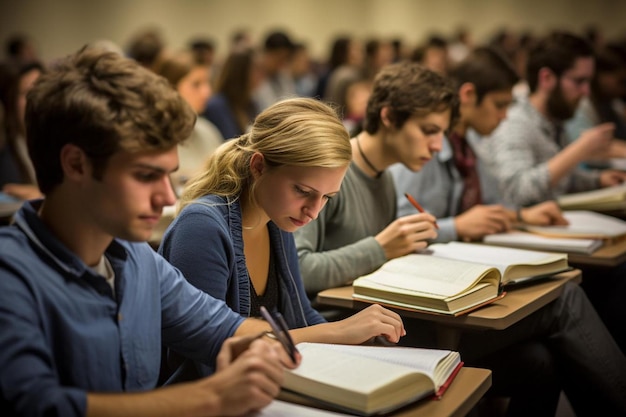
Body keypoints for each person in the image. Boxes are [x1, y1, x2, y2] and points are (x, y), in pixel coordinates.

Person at [293, 61, 626, 416]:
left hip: (392, 315)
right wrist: (381, 248)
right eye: (428, 131)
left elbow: (383, 258)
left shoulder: (385, 178)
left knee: (538, 362)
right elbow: (300, 269)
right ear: (389, 117)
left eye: (441, 133)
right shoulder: (331, 173)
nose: (438, 146)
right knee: (564, 303)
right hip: (354, 326)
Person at [0, 46, 298, 417]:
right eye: (145, 175)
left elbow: (220, 327)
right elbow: (39, 405)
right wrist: (213, 398)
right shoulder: (11, 275)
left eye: (168, 174)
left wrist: (258, 345)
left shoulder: (136, 257)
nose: (167, 196)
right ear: (76, 164)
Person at [158, 97, 405, 383]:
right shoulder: (202, 227)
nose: (313, 212)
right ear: (259, 166)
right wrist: (338, 331)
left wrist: (358, 343)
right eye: (302, 190)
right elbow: (212, 345)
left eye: (327, 198)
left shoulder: (277, 220)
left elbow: (302, 315)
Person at [392, 47, 567, 244]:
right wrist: (457, 227)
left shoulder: (468, 146)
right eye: (499, 105)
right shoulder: (426, 148)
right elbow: (400, 229)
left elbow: (488, 203)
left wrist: (521, 216)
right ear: (468, 94)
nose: (505, 116)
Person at [482, 31, 626, 207]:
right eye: (579, 81)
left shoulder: (554, 119)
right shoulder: (515, 122)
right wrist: (579, 149)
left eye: (588, 82)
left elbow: (559, 181)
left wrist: (597, 180)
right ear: (547, 78)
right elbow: (517, 192)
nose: (586, 91)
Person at [154, 50, 223, 189]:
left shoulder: (208, 131)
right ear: (170, 89)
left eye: (207, 83)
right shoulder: (152, 137)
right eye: (196, 84)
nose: (207, 92)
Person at [0, 59, 44, 200]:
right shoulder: (4, 156)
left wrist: (41, 196)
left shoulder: (59, 144)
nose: (38, 98)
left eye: (42, 88)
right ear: (9, 101)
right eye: (27, 92)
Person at [202, 47, 264, 140]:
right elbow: (229, 141)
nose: (262, 75)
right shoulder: (216, 106)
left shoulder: (251, 103)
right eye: (257, 70)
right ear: (241, 73)